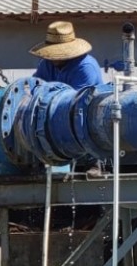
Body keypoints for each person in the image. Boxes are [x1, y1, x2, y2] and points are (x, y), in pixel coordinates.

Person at [29, 20, 105, 177]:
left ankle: (94, 162)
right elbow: (37, 86)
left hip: (83, 114)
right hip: (57, 117)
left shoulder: (85, 67)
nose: (53, 59)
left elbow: (76, 101)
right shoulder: (47, 64)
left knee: (85, 120)